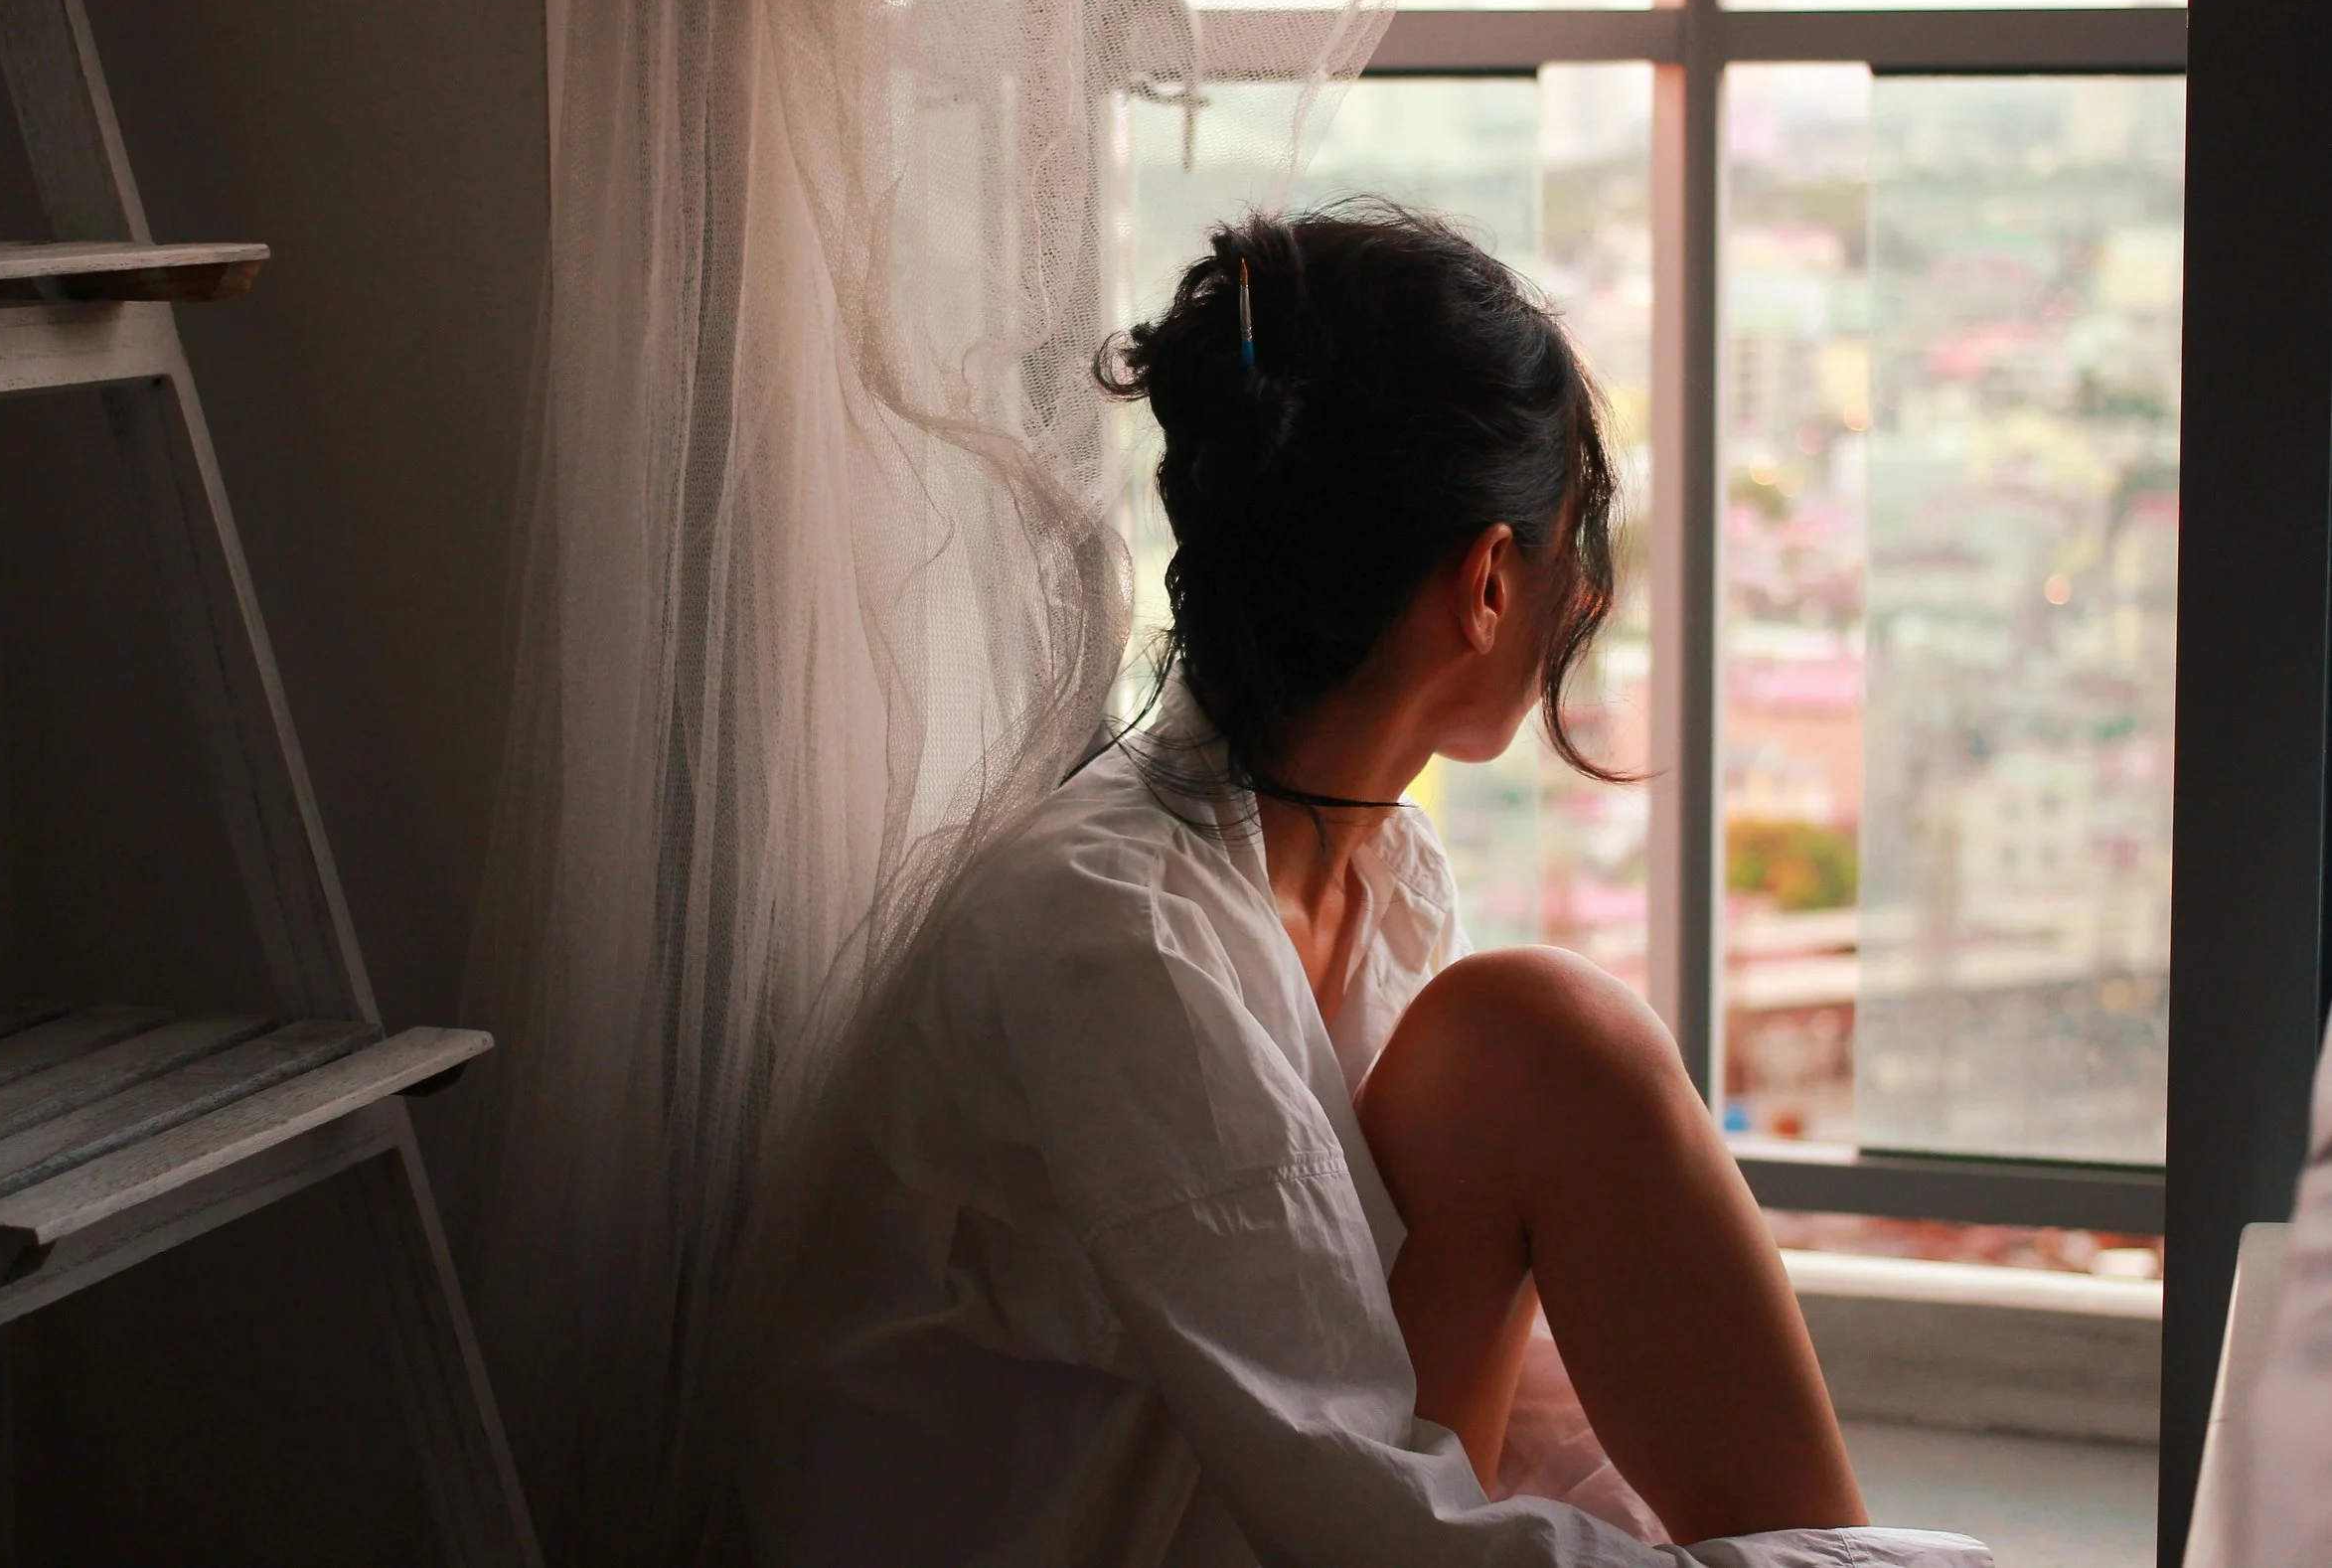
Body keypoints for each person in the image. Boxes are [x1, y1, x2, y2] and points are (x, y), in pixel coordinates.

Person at [739, 204, 1988, 1567]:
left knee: (1538, 1036)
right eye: (1576, 541)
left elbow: (1408, 1409)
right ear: (1490, 585)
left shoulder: (1378, 862)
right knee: (1547, 1030)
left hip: (1259, 1495)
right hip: (1106, 1530)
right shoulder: (1119, 934)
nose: (1592, 597)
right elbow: (1346, 1488)